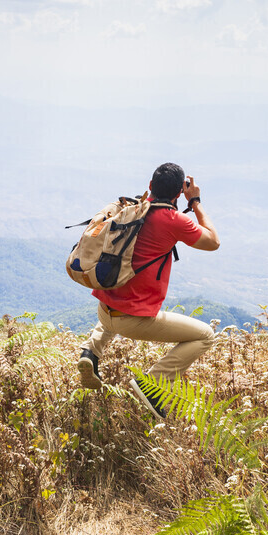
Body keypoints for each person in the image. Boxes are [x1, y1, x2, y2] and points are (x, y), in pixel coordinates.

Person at [76, 162, 220, 419]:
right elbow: (213, 242)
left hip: (104, 309)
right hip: (132, 321)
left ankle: (91, 350)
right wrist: (195, 202)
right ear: (178, 194)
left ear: (150, 186)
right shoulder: (173, 220)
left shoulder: (131, 209)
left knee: (121, 298)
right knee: (206, 335)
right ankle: (152, 383)